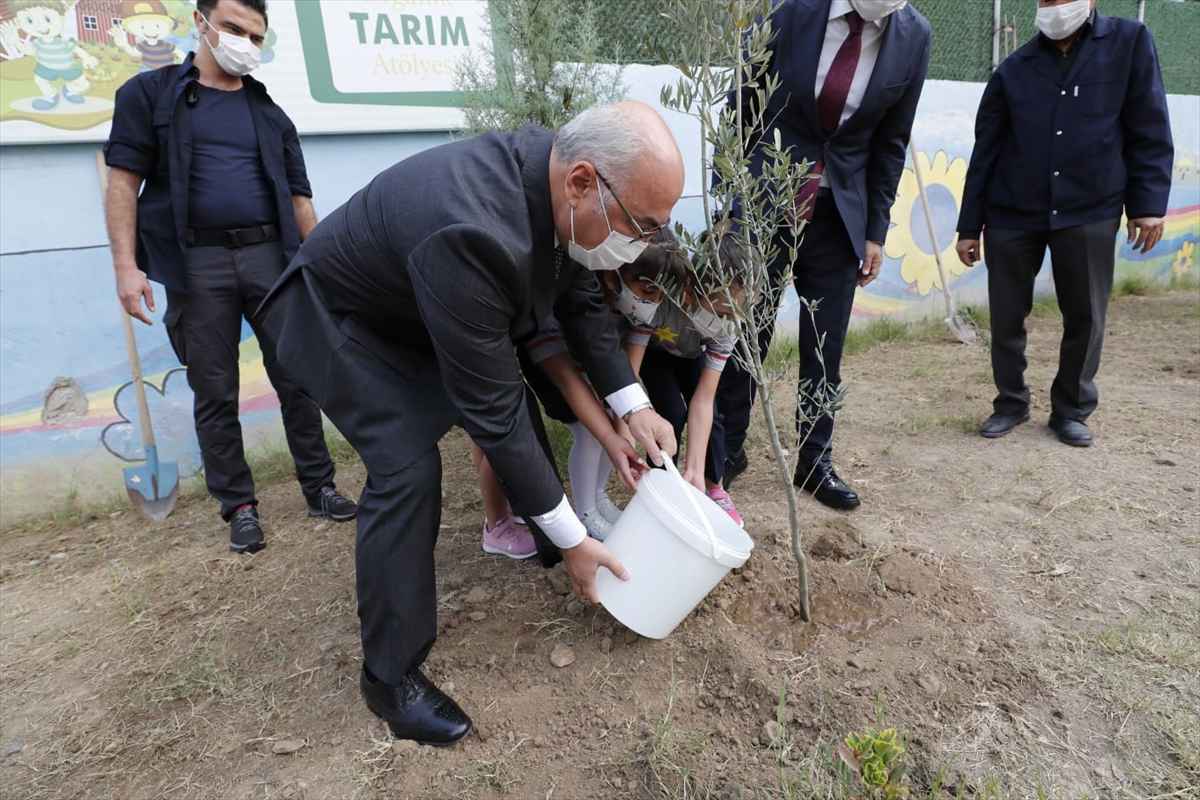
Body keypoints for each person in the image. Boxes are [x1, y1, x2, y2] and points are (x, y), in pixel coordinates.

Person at [257, 101, 684, 746]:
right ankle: (390, 678)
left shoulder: (555, 177)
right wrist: (574, 537)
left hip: (411, 309)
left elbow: (577, 298)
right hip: (335, 316)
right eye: (643, 224)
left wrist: (635, 405)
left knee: (507, 420)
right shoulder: (471, 229)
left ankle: (545, 533)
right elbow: (492, 409)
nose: (645, 243)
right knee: (406, 466)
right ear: (583, 182)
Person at [103, 0, 356, 554]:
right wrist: (127, 266)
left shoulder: (270, 114)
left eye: (255, 35)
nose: (245, 42)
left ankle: (320, 487)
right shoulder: (148, 97)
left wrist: (323, 271)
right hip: (196, 265)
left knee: (297, 377)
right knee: (215, 390)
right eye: (234, 28)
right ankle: (240, 506)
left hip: (272, 256)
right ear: (202, 22)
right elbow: (122, 183)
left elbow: (300, 200)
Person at [717, 0, 931, 510]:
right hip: (765, 199)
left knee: (825, 343)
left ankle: (814, 461)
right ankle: (726, 449)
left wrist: (875, 230)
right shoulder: (791, 9)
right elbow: (740, 104)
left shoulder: (913, 35)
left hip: (840, 213)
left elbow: (892, 140)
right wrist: (729, 199)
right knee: (749, 329)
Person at [956, 0, 1173, 447]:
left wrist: (1147, 204)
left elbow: (1148, 124)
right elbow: (986, 150)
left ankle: (1071, 409)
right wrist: (968, 225)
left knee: (1086, 314)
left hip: (1091, 206)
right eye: (1045, 0)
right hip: (1012, 211)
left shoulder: (1129, 43)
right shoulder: (1014, 68)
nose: (1054, 7)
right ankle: (1010, 403)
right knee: (1007, 313)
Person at [611, 229, 749, 527]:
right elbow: (628, 377)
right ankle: (660, 481)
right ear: (690, 289)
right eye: (722, 312)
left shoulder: (729, 327)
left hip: (692, 354)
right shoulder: (659, 302)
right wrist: (625, 444)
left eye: (736, 314)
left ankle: (713, 486)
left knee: (712, 416)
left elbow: (703, 399)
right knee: (670, 411)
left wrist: (695, 468)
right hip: (655, 354)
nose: (728, 322)